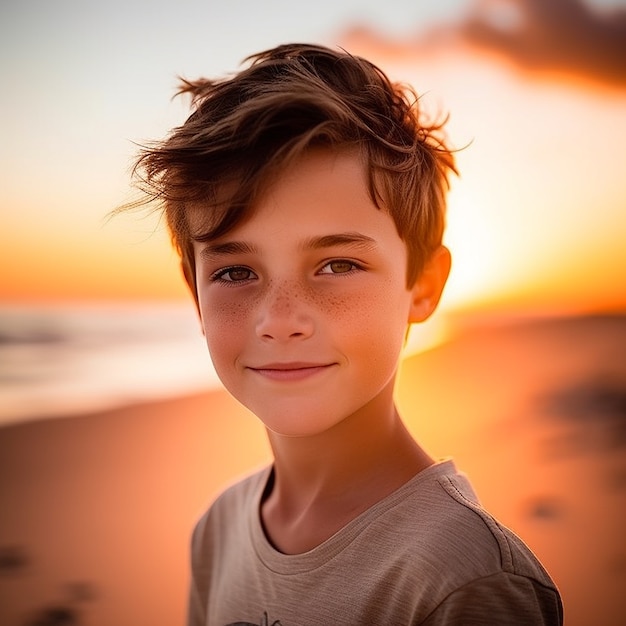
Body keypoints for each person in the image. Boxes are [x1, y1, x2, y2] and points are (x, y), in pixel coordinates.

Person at [125, 43, 563, 625]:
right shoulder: (219, 528)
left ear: (423, 285)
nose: (279, 320)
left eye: (337, 265)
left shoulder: (463, 580)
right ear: (196, 294)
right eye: (235, 273)